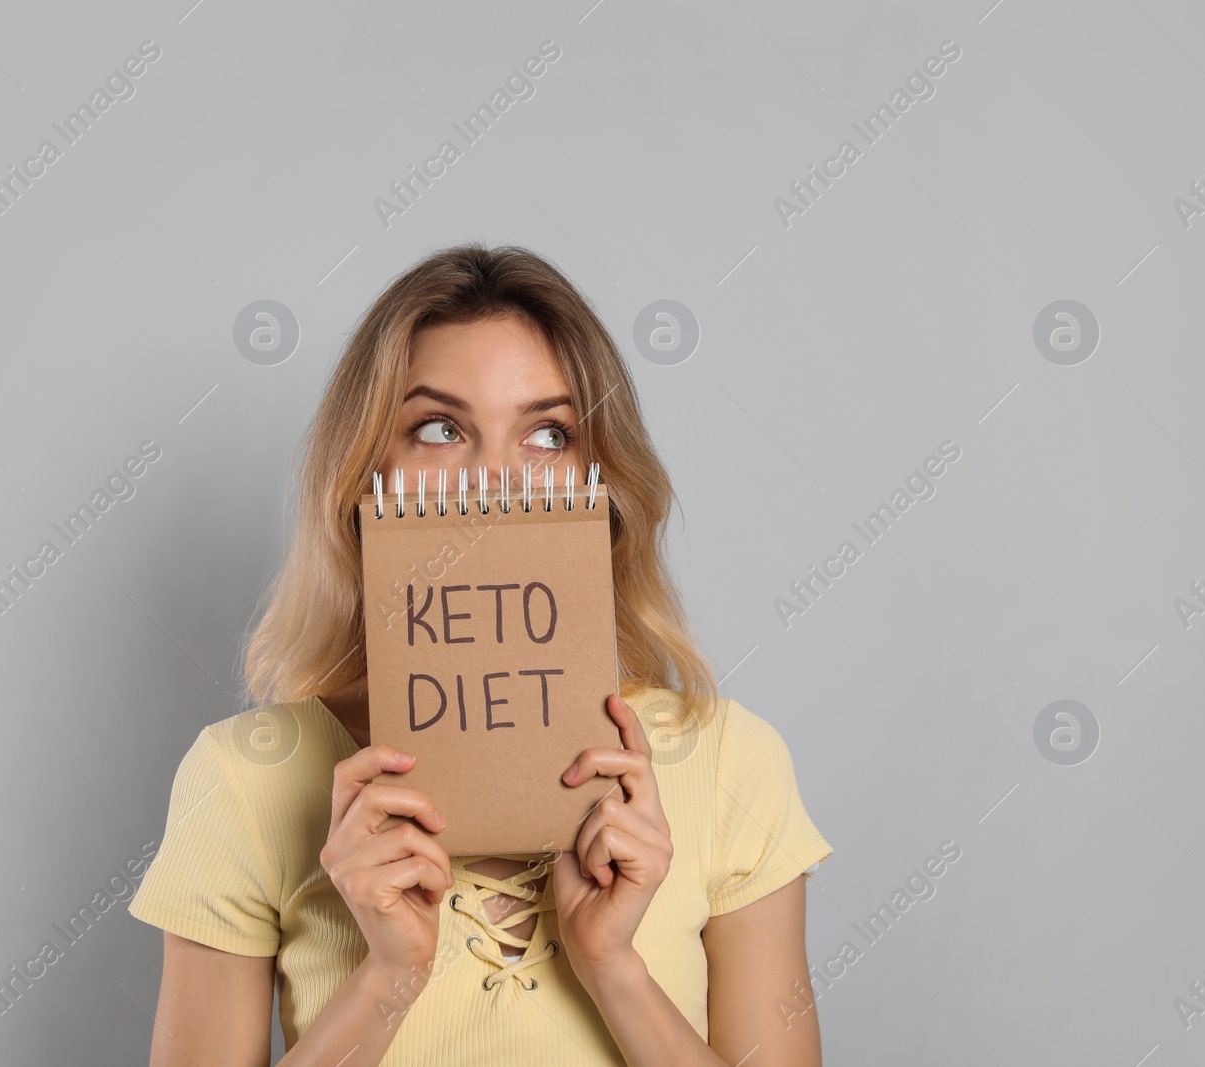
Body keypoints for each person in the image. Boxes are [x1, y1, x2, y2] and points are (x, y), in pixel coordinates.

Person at [128, 244, 834, 1065]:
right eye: (438, 428)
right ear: (365, 478)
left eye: (547, 433)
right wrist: (389, 972)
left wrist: (614, 968)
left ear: (602, 481)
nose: (495, 480)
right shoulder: (249, 777)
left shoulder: (729, 764)